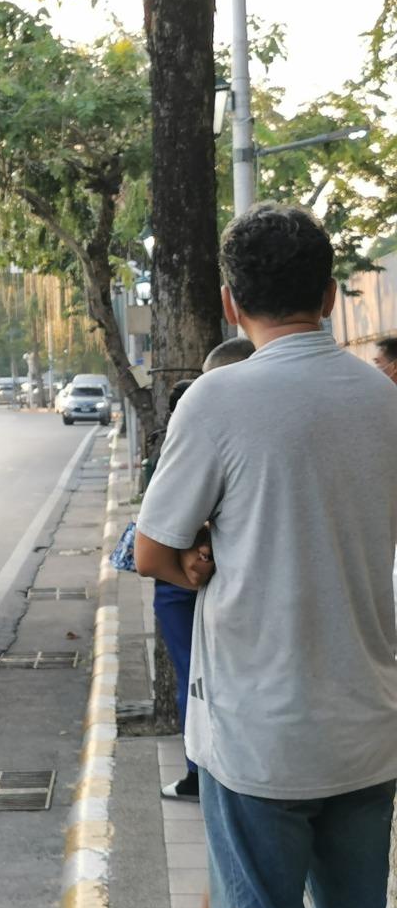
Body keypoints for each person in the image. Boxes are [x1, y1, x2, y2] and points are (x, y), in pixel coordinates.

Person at [135, 204, 397, 908]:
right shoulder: (384, 400)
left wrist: (196, 558)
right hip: (367, 732)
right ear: (328, 298)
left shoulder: (217, 401)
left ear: (230, 303)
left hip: (259, 743)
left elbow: (153, 547)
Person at [155, 338, 256, 803]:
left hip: (193, 586)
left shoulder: (207, 427)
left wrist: (194, 569)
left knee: (195, 679)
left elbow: (151, 551)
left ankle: (200, 773)